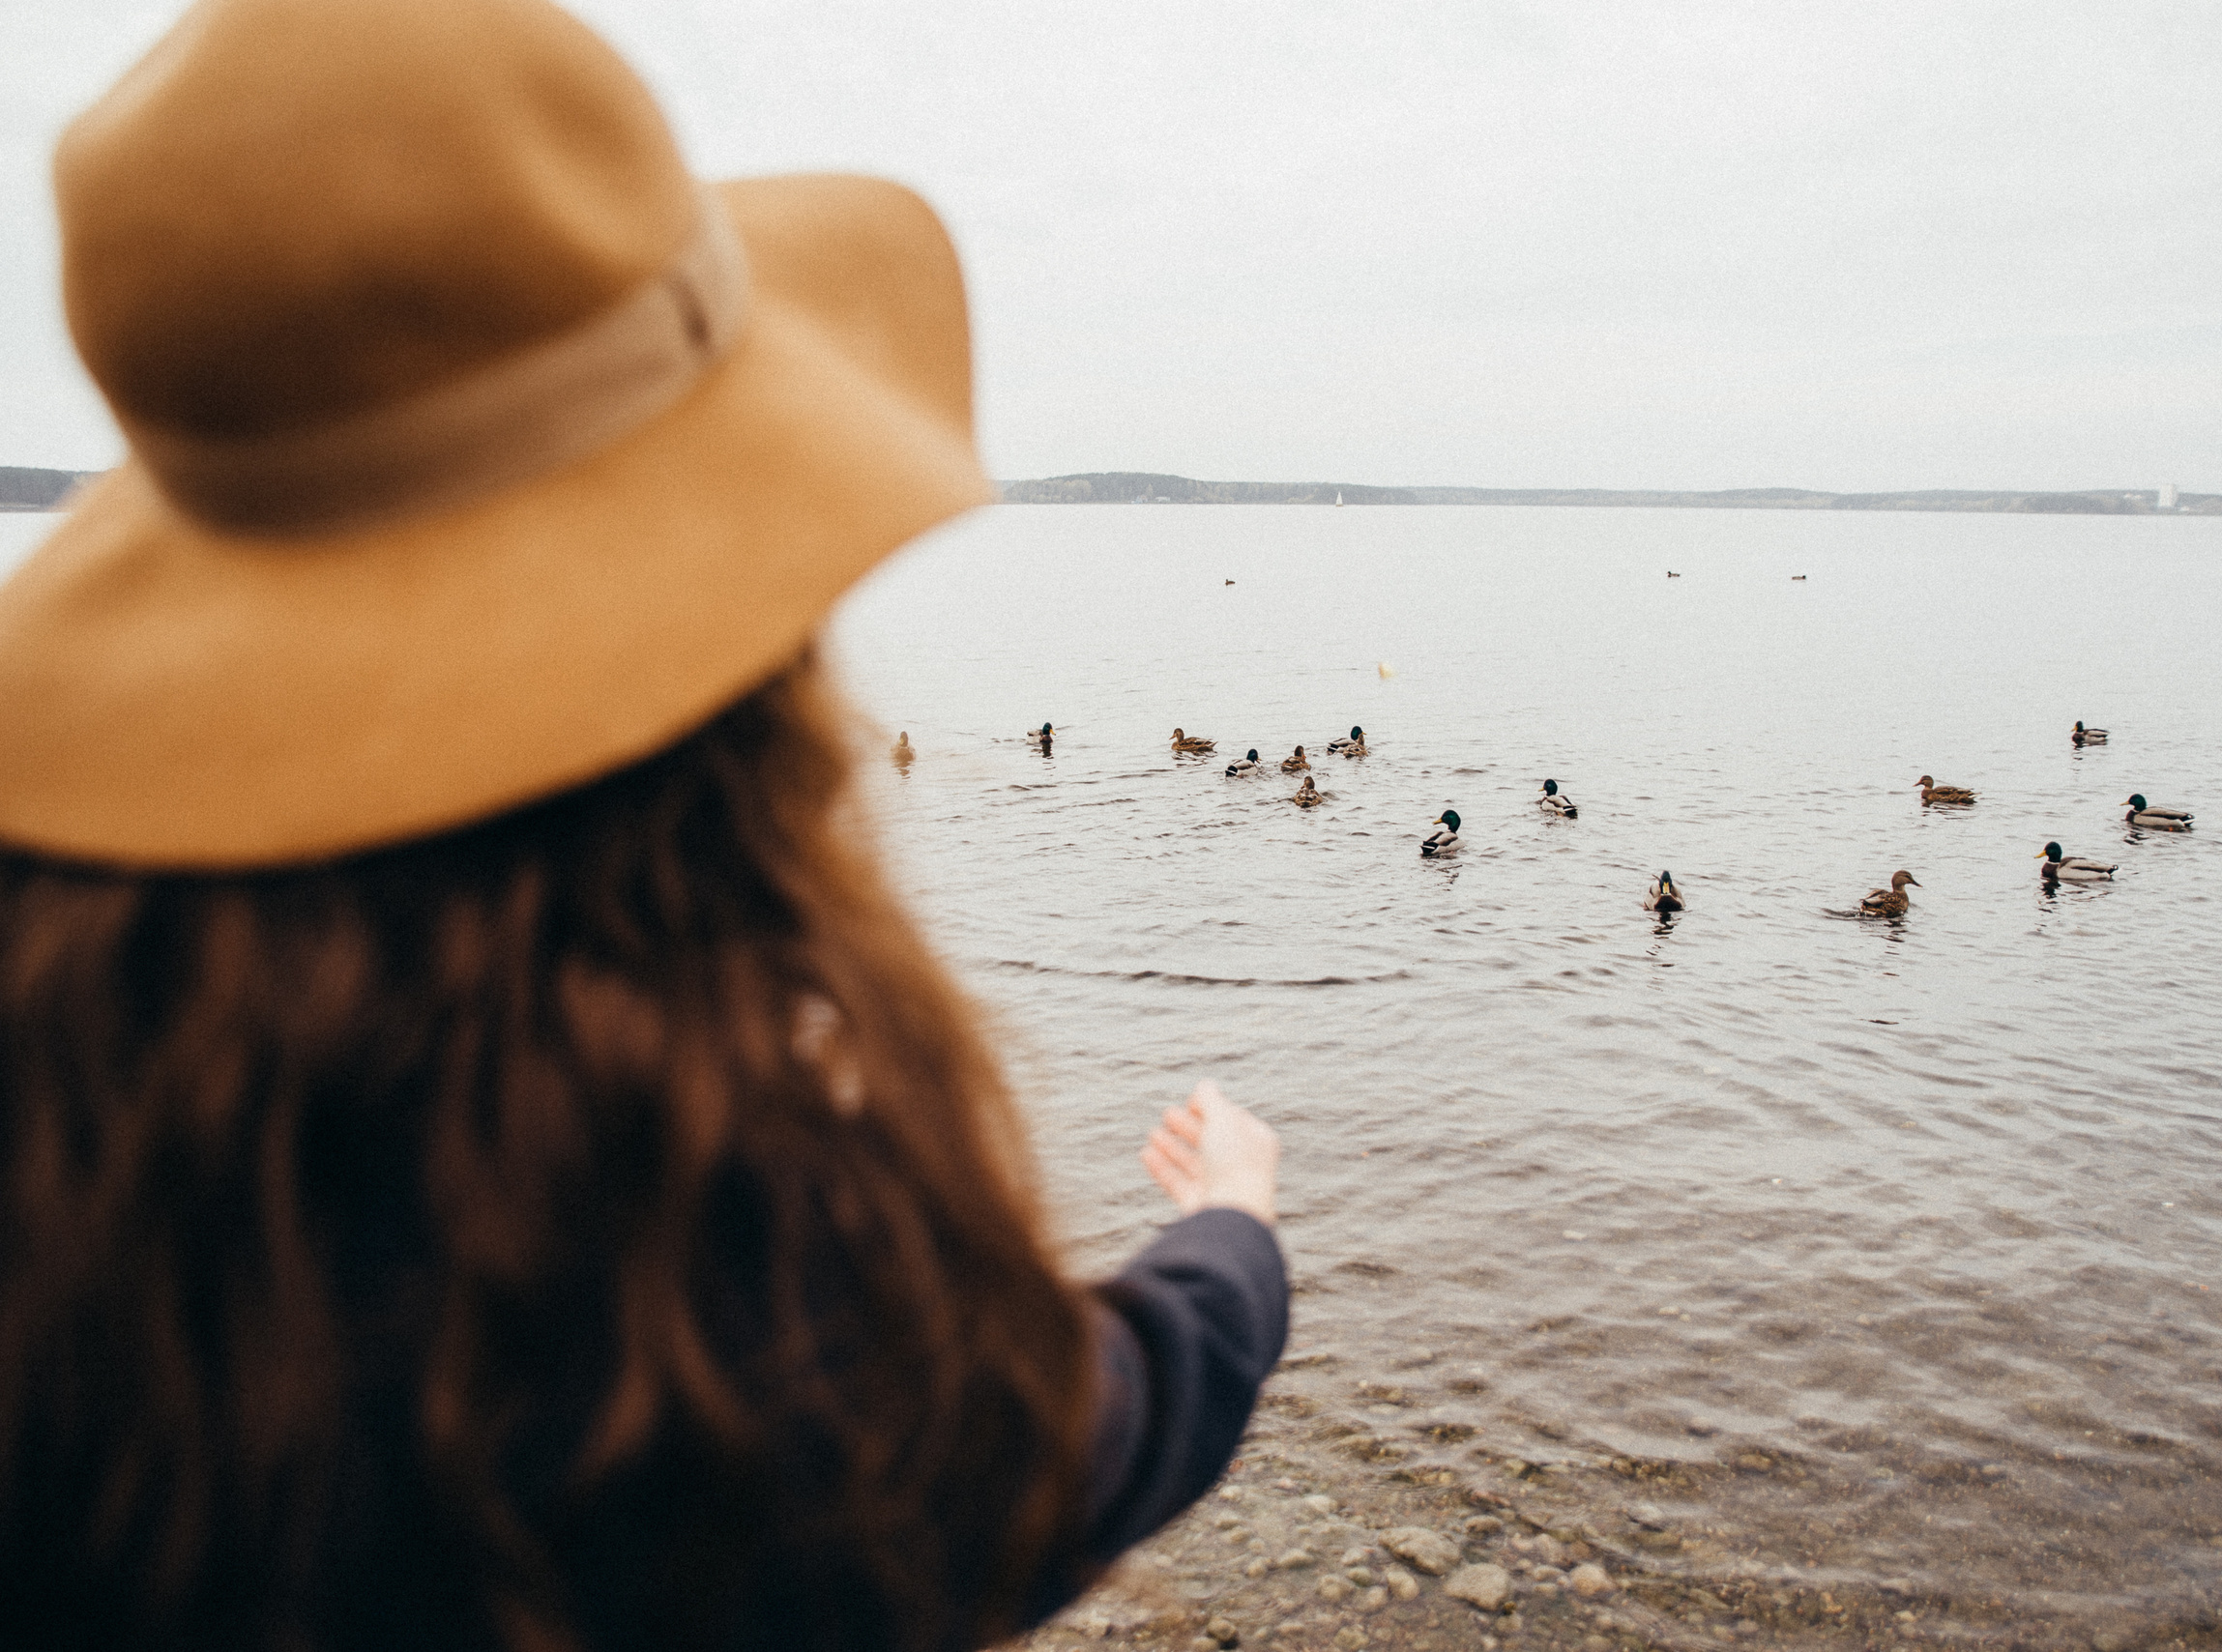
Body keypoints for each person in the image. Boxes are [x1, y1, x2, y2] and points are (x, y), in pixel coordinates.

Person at [0, 1, 1287, 1648]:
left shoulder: (78, 1159)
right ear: (728, 716)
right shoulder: (691, 1289)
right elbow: (1038, 1449)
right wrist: (1233, 1235)